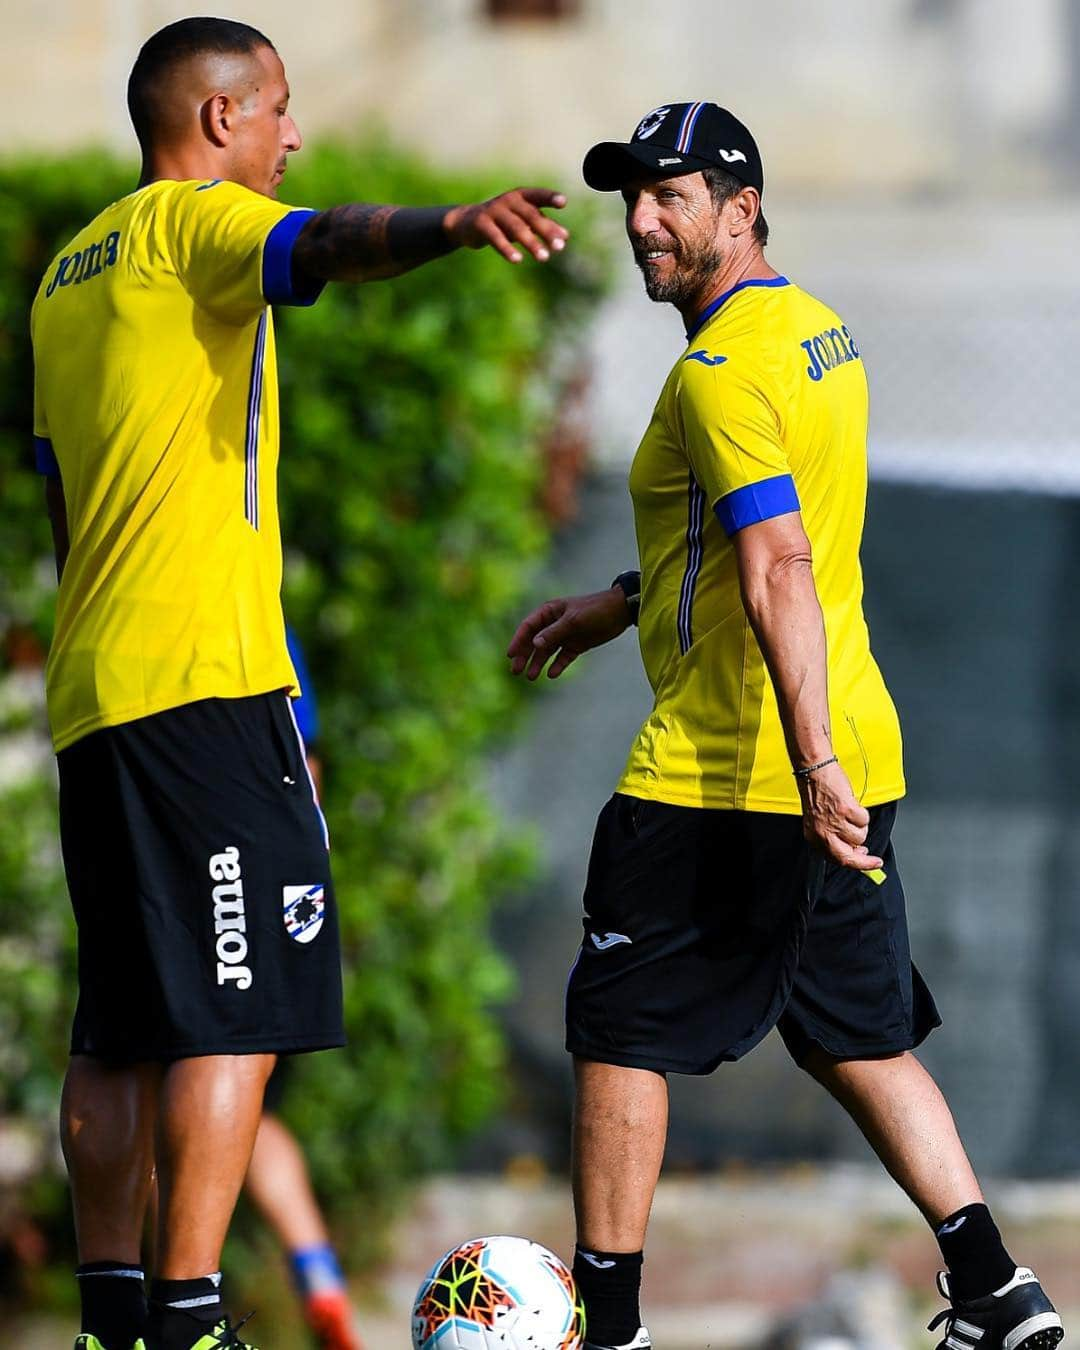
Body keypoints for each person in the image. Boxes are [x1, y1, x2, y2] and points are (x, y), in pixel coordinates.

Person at [31, 17, 569, 1350]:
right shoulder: (190, 224)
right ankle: (193, 1315)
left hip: (96, 690)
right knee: (235, 1009)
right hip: (207, 686)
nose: (295, 137)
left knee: (117, 1024)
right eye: (279, 108)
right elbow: (317, 242)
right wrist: (452, 223)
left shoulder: (63, 273)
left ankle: (113, 1314)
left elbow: (57, 498)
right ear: (217, 122)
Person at [507, 102, 1062, 1350]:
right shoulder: (818, 335)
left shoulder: (717, 370)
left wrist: (807, 763)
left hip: (731, 769)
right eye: (632, 197)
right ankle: (998, 1290)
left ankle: (611, 1328)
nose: (644, 222)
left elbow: (776, 566)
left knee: (616, 1029)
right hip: (860, 750)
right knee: (856, 1036)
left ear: (742, 208)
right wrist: (622, 602)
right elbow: (756, 540)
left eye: (673, 197)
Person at [242, 629, 361, 1350]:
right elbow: (307, 766)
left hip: (211, 862)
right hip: (291, 868)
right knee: (252, 1105)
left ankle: (166, 1302)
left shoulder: (171, 591)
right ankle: (318, 1272)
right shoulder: (268, 611)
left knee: (168, 1085)